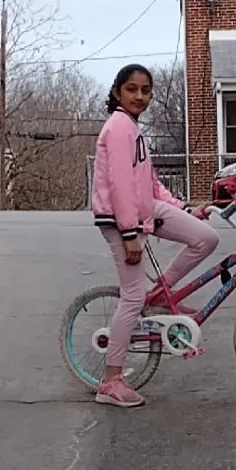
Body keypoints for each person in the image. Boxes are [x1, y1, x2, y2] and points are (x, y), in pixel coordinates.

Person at [92, 63, 219, 408]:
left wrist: (183, 208)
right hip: (121, 220)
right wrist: (130, 233)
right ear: (118, 92)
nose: (139, 96)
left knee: (205, 237)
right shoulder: (119, 127)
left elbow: (148, 184)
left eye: (146, 90)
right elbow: (119, 185)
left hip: (145, 211)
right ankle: (112, 381)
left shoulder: (134, 129)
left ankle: (161, 295)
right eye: (132, 89)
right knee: (133, 296)